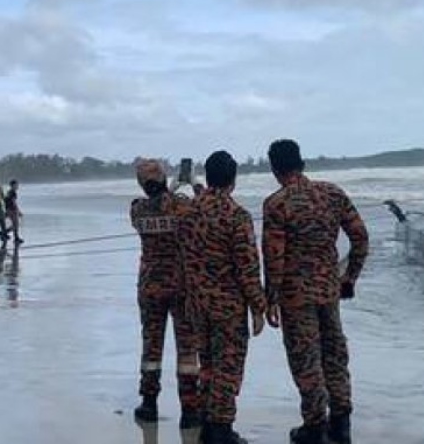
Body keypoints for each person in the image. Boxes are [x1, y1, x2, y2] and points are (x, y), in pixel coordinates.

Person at [262, 139, 369, 444]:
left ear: (274, 168)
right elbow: (360, 237)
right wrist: (350, 277)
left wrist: (271, 298)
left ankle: (313, 427)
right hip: (329, 290)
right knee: (334, 354)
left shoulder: (277, 203)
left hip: (295, 296)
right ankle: (341, 423)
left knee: (305, 358)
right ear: (302, 163)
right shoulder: (332, 193)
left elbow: (274, 256)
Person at [178, 151, 266, 444]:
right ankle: (221, 431)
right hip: (227, 306)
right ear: (234, 180)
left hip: (195, 303)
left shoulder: (188, 211)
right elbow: (247, 266)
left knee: (209, 365)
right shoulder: (235, 215)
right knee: (228, 369)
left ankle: (207, 425)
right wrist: (258, 307)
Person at [130, 157, 200, 428]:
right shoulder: (182, 206)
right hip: (182, 285)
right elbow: (203, 207)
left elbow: (157, 207)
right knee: (187, 348)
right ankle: (190, 410)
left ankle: (149, 403)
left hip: (150, 286)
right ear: (163, 179)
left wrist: (169, 190)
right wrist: (192, 183)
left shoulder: (137, 210)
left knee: (151, 347)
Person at [5, 179, 24, 245]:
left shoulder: (9, 192)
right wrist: (19, 212)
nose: (17, 186)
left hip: (8, 209)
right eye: (16, 185)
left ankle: (5, 232)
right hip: (11, 209)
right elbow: (14, 202)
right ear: (13, 185)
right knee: (16, 224)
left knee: (15, 224)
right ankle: (15, 237)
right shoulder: (13, 192)